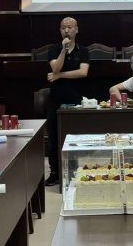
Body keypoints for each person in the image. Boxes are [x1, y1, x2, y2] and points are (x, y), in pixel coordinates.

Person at [46, 17, 90, 186]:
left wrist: (59, 76)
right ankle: (54, 173)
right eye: (63, 28)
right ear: (60, 31)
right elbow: (55, 68)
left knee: (74, 137)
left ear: (76, 30)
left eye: (69, 27)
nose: (66, 30)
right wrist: (63, 51)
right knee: (54, 137)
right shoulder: (53, 49)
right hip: (56, 99)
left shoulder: (83, 50)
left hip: (75, 99)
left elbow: (83, 72)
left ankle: (74, 170)